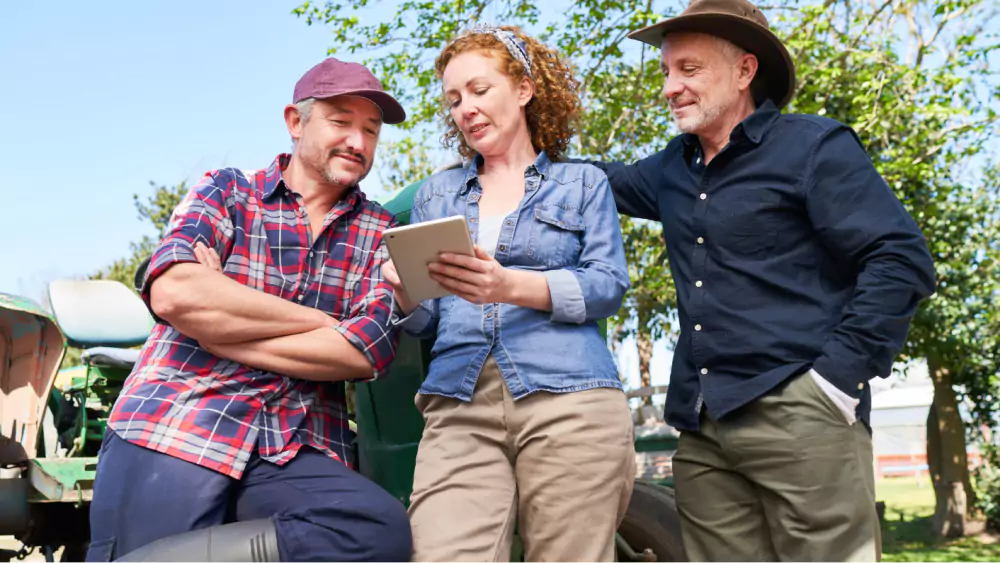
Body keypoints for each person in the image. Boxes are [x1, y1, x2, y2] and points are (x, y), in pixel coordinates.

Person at [584, 0, 937, 560]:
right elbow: (597, 181)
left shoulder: (812, 147)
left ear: (745, 71)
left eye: (689, 70)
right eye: (666, 72)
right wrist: (513, 142)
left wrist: (835, 380)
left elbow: (900, 258)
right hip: (703, 426)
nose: (670, 87)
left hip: (802, 411)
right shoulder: (673, 168)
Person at [85, 58, 413, 562]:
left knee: (377, 529)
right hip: (178, 420)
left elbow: (365, 351)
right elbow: (175, 295)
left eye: (371, 131)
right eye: (341, 122)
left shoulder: (378, 231)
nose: (358, 142)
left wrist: (218, 328)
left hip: (294, 446)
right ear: (296, 121)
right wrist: (322, 322)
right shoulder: (229, 190)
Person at [382, 24, 635, 562]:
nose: (465, 109)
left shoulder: (582, 183)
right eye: (453, 100)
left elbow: (608, 285)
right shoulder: (436, 194)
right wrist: (405, 299)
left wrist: (510, 285)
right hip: (458, 400)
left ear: (522, 89)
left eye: (478, 90)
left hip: (569, 392)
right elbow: (428, 319)